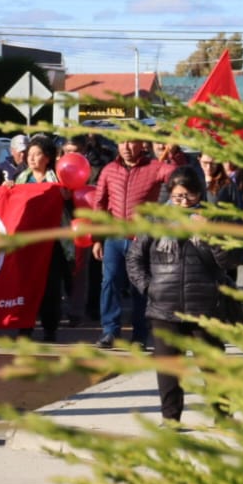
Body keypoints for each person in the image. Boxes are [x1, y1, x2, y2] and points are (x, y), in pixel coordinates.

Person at [126, 167, 234, 426]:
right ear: (169, 195)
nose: (184, 202)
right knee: (168, 368)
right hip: (164, 304)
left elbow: (228, 260)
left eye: (189, 196)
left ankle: (223, 416)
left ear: (200, 194)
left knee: (212, 365)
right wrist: (148, 287)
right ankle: (171, 418)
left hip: (204, 305)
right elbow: (134, 258)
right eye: (178, 197)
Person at [93, 138, 174, 348]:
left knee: (141, 288)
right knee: (109, 282)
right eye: (122, 143)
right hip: (114, 238)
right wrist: (97, 239)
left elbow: (177, 177)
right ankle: (109, 330)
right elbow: (99, 203)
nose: (126, 147)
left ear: (141, 145)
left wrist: (173, 156)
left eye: (131, 143)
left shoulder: (154, 167)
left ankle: (140, 335)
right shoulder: (109, 170)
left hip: (142, 239)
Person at [12, 136, 72, 339]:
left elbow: (71, 209)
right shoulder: (20, 179)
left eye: (37, 154)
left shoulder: (58, 179)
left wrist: (66, 198)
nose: (32, 159)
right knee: (24, 285)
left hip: (52, 241)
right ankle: (25, 327)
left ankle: (50, 327)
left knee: (50, 286)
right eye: (29, 155)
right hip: (27, 241)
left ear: (47, 158)